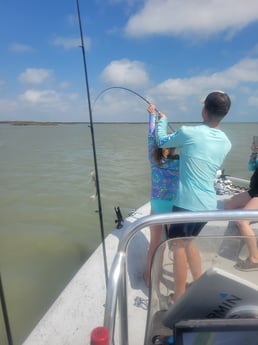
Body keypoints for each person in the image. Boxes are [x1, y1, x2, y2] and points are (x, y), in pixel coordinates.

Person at [155, 90, 232, 301]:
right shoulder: (226, 142)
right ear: (224, 114)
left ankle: (178, 297)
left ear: (204, 110)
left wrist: (163, 120)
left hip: (187, 205)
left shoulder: (189, 132)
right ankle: (198, 283)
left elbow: (162, 142)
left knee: (178, 247)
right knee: (188, 243)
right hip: (208, 206)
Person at [143, 104, 179, 288]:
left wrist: (153, 117)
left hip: (157, 205)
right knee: (173, 245)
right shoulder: (179, 162)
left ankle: (149, 279)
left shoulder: (153, 158)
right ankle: (176, 279)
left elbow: (152, 136)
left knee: (154, 244)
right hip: (174, 207)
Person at [224, 138, 258, 271]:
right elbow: (250, 167)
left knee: (241, 221)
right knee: (228, 206)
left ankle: (255, 258)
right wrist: (253, 156)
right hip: (254, 191)